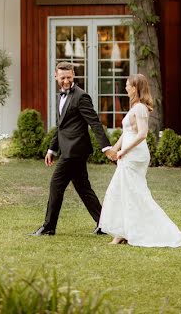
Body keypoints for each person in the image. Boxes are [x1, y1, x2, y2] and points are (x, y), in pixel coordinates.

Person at [99, 73, 181, 248]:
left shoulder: (140, 109)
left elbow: (142, 134)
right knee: (123, 191)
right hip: (128, 153)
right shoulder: (134, 107)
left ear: (136, 88)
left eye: (128, 85)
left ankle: (153, 231)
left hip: (135, 155)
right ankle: (122, 232)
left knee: (134, 192)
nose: (125, 87)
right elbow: (127, 133)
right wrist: (113, 150)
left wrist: (124, 151)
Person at [31, 61, 115, 236]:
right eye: (63, 78)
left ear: (74, 76)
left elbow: (94, 123)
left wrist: (106, 147)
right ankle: (104, 223)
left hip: (75, 151)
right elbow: (61, 126)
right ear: (56, 77)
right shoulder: (61, 96)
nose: (66, 81)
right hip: (68, 149)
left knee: (56, 184)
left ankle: (49, 227)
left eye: (69, 77)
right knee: (83, 188)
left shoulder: (81, 96)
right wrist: (52, 149)